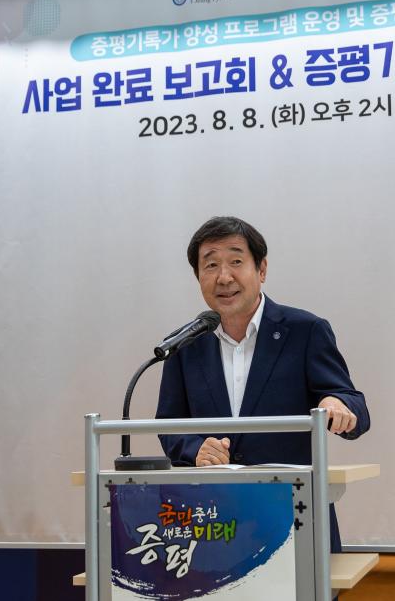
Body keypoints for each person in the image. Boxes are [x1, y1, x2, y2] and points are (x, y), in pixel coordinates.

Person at [156, 216, 371, 552]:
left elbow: (353, 403)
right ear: (198, 277)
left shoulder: (304, 330)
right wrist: (195, 450)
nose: (224, 277)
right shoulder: (184, 344)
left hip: (293, 516)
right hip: (216, 522)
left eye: (236, 262)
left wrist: (336, 403)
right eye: (210, 265)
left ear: (262, 269)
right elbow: (169, 425)